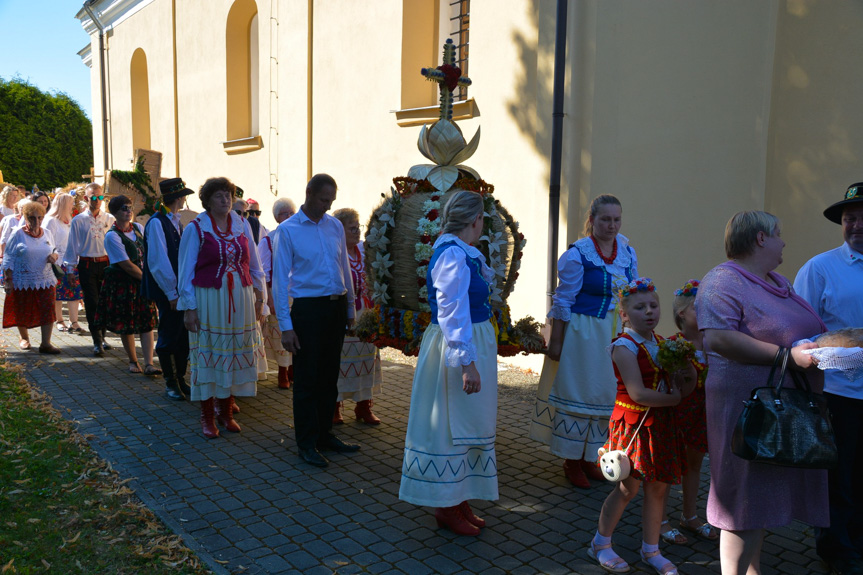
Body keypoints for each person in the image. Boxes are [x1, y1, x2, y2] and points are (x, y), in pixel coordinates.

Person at [697, 210, 827, 575]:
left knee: (760, 503)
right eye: (779, 234)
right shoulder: (723, 280)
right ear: (759, 238)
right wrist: (787, 355)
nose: (784, 241)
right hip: (746, 411)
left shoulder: (775, 281)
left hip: (780, 410)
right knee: (742, 503)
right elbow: (718, 337)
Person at [398, 190, 498, 537]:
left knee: (469, 422)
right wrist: (467, 363)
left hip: (471, 342)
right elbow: (452, 311)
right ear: (476, 220)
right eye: (482, 217)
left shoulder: (462, 251)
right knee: (451, 424)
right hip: (456, 348)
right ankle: (445, 503)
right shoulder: (452, 254)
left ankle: (460, 497)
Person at [530, 194, 638, 488]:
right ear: (591, 221)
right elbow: (564, 301)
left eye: (616, 219)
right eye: (605, 219)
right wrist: (557, 344)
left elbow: (633, 295)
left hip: (615, 333)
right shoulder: (578, 254)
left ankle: (592, 457)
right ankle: (571, 461)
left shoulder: (627, 251)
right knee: (582, 393)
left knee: (606, 395)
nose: (612, 225)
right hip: (584, 335)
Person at [590, 278, 689, 575]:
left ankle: (651, 550)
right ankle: (601, 543)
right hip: (633, 425)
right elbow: (638, 393)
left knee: (658, 489)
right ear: (624, 315)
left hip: (659, 425)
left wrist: (687, 371)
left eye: (654, 306)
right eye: (640, 307)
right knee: (626, 487)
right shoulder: (624, 346)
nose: (649, 312)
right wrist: (674, 400)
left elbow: (676, 382)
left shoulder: (662, 343)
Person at [794, 183, 863, 575]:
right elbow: (800, 333)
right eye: (850, 218)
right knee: (839, 478)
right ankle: (837, 549)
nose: (856, 225)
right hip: (838, 393)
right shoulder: (820, 268)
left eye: (862, 218)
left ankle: (858, 541)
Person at [272, 173, 358, 467]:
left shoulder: (334, 226)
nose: (327, 206)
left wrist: (350, 311)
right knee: (307, 380)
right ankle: (306, 443)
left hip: (335, 309)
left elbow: (344, 269)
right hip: (307, 312)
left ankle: (325, 434)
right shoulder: (288, 231)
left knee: (328, 376)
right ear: (308, 193)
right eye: (323, 200)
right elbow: (280, 283)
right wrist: (286, 326)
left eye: (331, 201)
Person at [178, 177, 267, 439]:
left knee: (233, 352)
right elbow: (185, 271)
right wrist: (189, 308)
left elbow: (254, 262)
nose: (225, 200)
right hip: (209, 298)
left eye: (228, 195)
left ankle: (225, 411)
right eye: (219, 195)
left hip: (240, 297)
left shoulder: (241, 224)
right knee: (209, 354)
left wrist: (260, 297)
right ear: (206, 201)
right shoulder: (195, 229)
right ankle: (207, 414)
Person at [659, 279, 719, 545]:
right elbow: (672, 387)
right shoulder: (674, 345)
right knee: (669, 467)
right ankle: (659, 521)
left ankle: (690, 515)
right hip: (677, 414)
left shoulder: (714, 342)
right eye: (699, 308)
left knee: (694, 466)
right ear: (682, 313)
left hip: (703, 416)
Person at [92, 196, 160, 374]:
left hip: (142, 280)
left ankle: (149, 364)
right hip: (124, 283)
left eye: (130, 207)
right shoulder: (112, 236)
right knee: (127, 323)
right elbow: (127, 265)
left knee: (147, 322)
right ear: (115, 213)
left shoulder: (138, 228)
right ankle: (133, 361)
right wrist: (148, 280)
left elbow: (150, 252)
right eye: (124, 208)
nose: (128, 211)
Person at [142, 178, 195, 400]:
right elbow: (158, 261)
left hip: (179, 289)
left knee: (182, 335)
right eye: (183, 196)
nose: (185, 200)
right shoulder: (157, 223)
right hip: (168, 291)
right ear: (178, 197)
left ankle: (180, 379)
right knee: (169, 334)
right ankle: (171, 383)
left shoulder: (176, 221)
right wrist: (172, 292)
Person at [331, 207, 382, 425]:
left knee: (367, 360)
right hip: (344, 314)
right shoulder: (335, 253)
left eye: (357, 226)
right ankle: (334, 407)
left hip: (367, 314)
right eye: (351, 227)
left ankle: (364, 407)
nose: (356, 231)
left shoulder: (364, 253)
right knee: (341, 363)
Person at [2, 201, 61, 354]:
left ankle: (45, 343)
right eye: (32, 218)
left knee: (48, 309)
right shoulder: (17, 234)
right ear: (25, 218)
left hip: (45, 278)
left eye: (40, 218)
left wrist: (54, 255)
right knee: (22, 309)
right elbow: (8, 258)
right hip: (23, 279)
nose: (37, 221)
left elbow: (54, 249)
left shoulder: (47, 232)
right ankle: (24, 338)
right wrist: (8, 281)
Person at [64, 183, 115, 356]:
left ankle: (103, 335)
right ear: (86, 198)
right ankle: (96, 341)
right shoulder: (79, 220)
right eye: (94, 197)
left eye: (101, 197)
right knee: (92, 302)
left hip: (106, 264)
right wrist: (70, 269)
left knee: (105, 301)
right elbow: (72, 246)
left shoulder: (109, 218)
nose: (98, 200)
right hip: (87, 264)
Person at [258, 196, 295, 389]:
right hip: (279, 293)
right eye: (284, 213)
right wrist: (269, 298)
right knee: (281, 334)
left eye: (292, 213)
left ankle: (293, 370)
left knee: (298, 332)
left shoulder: (299, 235)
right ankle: (282, 374)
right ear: (276, 217)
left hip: (298, 293)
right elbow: (264, 272)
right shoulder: (268, 240)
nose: (289, 216)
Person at [43, 193, 85, 334]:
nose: (73, 205)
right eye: (71, 203)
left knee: (74, 292)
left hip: (71, 262)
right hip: (57, 262)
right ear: (63, 204)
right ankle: (59, 320)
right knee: (58, 294)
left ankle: (74, 321)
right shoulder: (51, 221)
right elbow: (48, 241)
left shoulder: (69, 220)